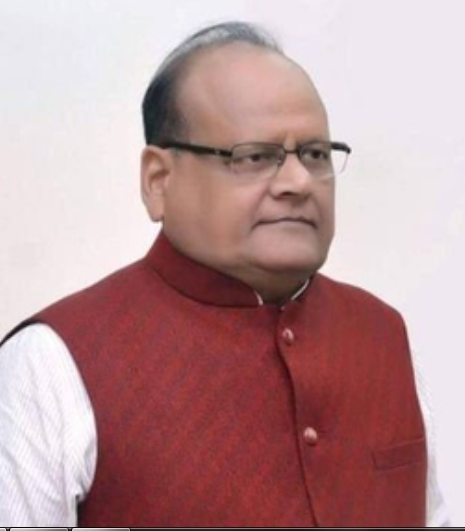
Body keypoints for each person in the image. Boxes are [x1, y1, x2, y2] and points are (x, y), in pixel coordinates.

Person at [0, 21, 450, 527]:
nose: (298, 181)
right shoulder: (52, 365)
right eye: (255, 156)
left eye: (315, 155)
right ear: (158, 180)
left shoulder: (383, 336)